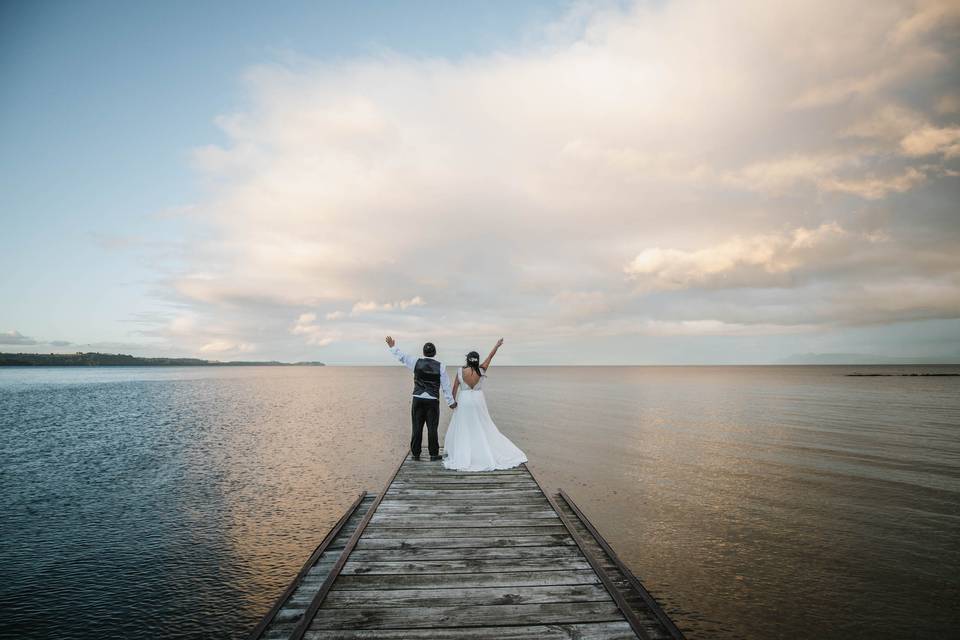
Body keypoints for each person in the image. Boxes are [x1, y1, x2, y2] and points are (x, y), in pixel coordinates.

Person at [443, 338, 527, 471]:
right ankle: (481, 448)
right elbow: (490, 356)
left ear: (467, 359)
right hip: (477, 400)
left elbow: (454, 388)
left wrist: (452, 402)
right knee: (482, 424)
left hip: (464, 400)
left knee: (465, 425)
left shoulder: (460, 371)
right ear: (477, 359)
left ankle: (465, 451)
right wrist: (497, 345)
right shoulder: (482, 370)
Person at [385, 336, 456, 461]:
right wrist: (451, 402)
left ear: (423, 352)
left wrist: (392, 346)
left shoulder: (415, 361)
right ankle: (433, 454)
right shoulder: (441, 367)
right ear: (435, 353)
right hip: (432, 400)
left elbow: (401, 356)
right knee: (432, 428)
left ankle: (415, 454)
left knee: (416, 427)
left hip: (417, 398)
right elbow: (446, 386)